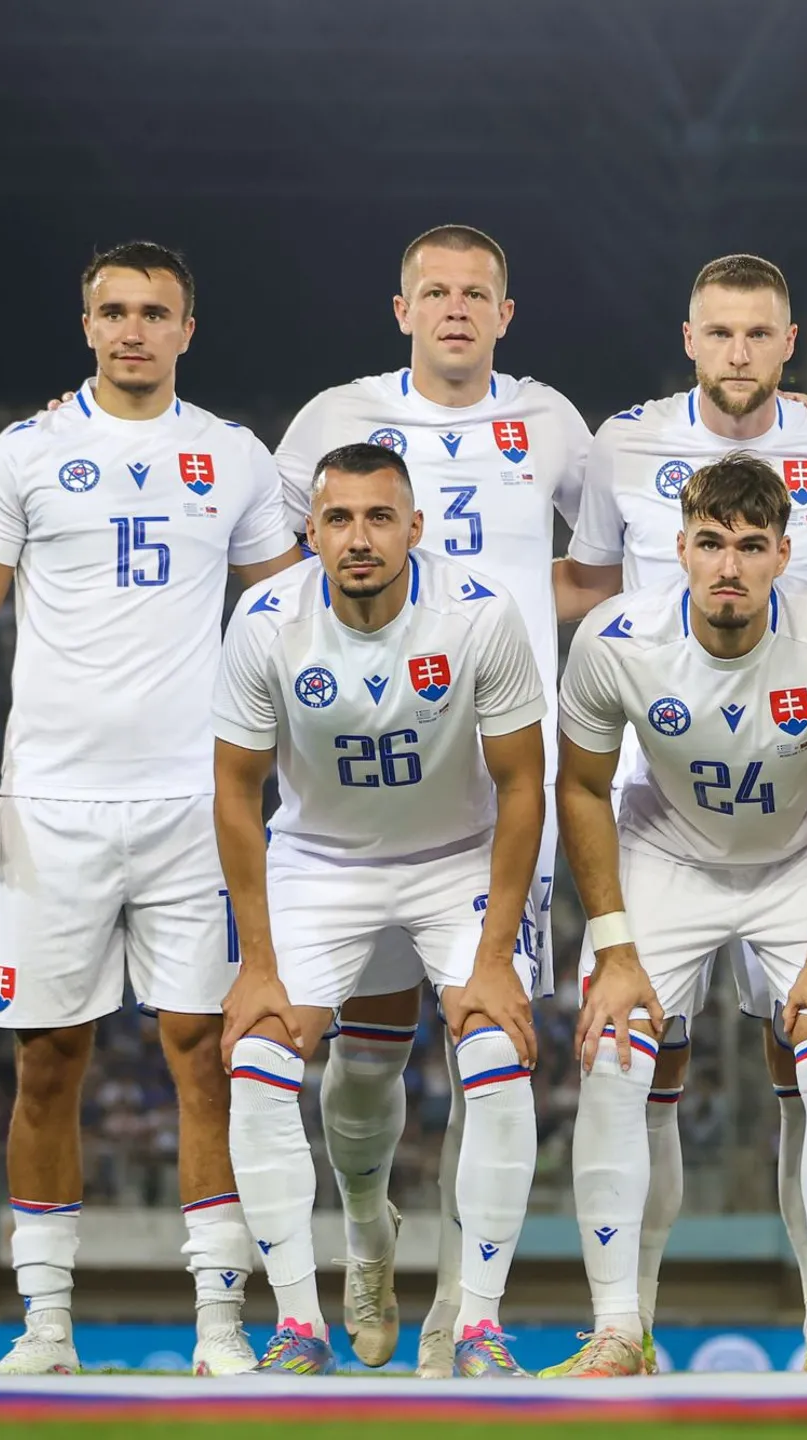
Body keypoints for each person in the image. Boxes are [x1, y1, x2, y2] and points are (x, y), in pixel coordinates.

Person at [0, 242, 299, 1376]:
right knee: (48, 1062)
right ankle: (44, 1328)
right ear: (85, 323)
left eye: (156, 312)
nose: (134, 328)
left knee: (202, 1052)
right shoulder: (25, 453)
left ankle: (220, 1328)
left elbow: (288, 611)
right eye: (114, 310)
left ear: (190, 328)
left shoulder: (233, 458)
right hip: (52, 804)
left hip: (196, 801)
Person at [272, 224, 592, 1375]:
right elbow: (278, 565)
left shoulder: (555, 424)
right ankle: (367, 1240)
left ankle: (466, 1308)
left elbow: (595, 574)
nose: (456, 309)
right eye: (435, 293)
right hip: (357, 793)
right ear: (399, 308)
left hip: (500, 787)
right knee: (363, 1057)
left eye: (478, 294)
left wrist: (482, 638)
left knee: (489, 1039)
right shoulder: (329, 420)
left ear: (507, 312)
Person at [555, 254, 807, 1353]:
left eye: (752, 547)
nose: (729, 564)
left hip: (800, 841)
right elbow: (582, 786)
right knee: (615, 1045)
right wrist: (614, 945)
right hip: (665, 836)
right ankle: (614, 1328)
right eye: (708, 544)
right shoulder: (615, 623)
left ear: (788, 551)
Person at [213, 442, 547, 1377]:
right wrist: (258, 962)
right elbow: (236, 795)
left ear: (414, 528)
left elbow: (525, 787)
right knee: (258, 1057)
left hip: (454, 860)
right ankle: (304, 1317)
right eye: (340, 519)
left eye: (379, 517)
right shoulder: (266, 620)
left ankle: (477, 1325)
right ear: (310, 530)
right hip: (322, 863)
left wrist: (491, 959)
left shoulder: (478, 614)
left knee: (495, 1050)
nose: (360, 538)